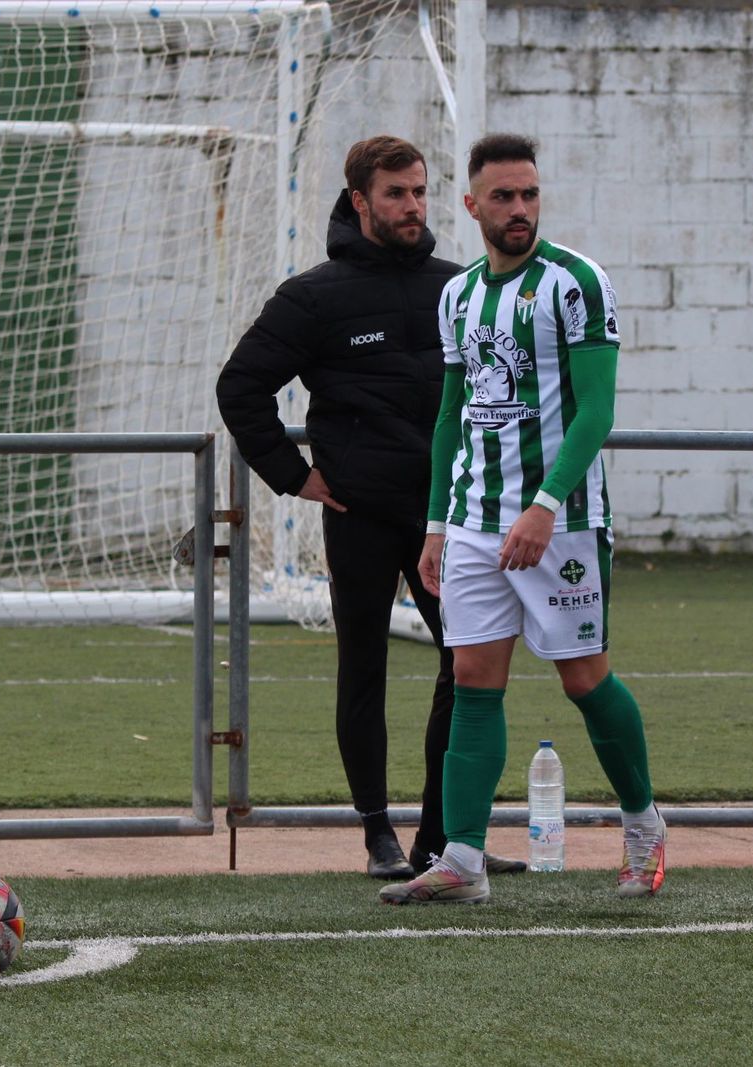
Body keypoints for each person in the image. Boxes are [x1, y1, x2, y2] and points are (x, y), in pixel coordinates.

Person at [217, 136, 524, 880]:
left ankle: (444, 838)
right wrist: (297, 477)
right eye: (396, 194)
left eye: (419, 192)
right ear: (360, 201)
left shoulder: (462, 287)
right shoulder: (314, 296)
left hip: (447, 521)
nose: (412, 206)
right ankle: (376, 832)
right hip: (358, 516)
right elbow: (241, 388)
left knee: (468, 667)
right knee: (364, 669)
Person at [380, 133, 666, 905]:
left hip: (561, 521)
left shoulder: (577, 282)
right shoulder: (460, 294)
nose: (519, 210)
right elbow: (451, 414)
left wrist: (543, 504)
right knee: (472, 679)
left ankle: (645, 830)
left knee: (583, 679)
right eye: (503, 197)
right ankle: (463, 859)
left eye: (529, 194)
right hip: (472, 521)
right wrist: (437, 524)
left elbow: (596, 410)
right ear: (471, 205)